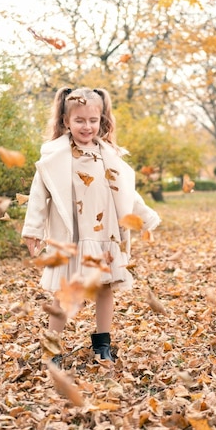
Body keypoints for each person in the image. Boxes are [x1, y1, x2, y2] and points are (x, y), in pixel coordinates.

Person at [22, 86, 161, 364]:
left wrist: (145, 217)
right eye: (79, 120)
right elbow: (39, 195)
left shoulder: (108, 154)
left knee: (104, 287)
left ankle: (102, 343)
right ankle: (52, 348)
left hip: (104, 233)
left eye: (93, 120)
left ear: (102, 120)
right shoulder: (56, 157)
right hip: (72, 235)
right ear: (66, 121)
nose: (87, 126)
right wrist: (33, 230)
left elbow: (126, 192)